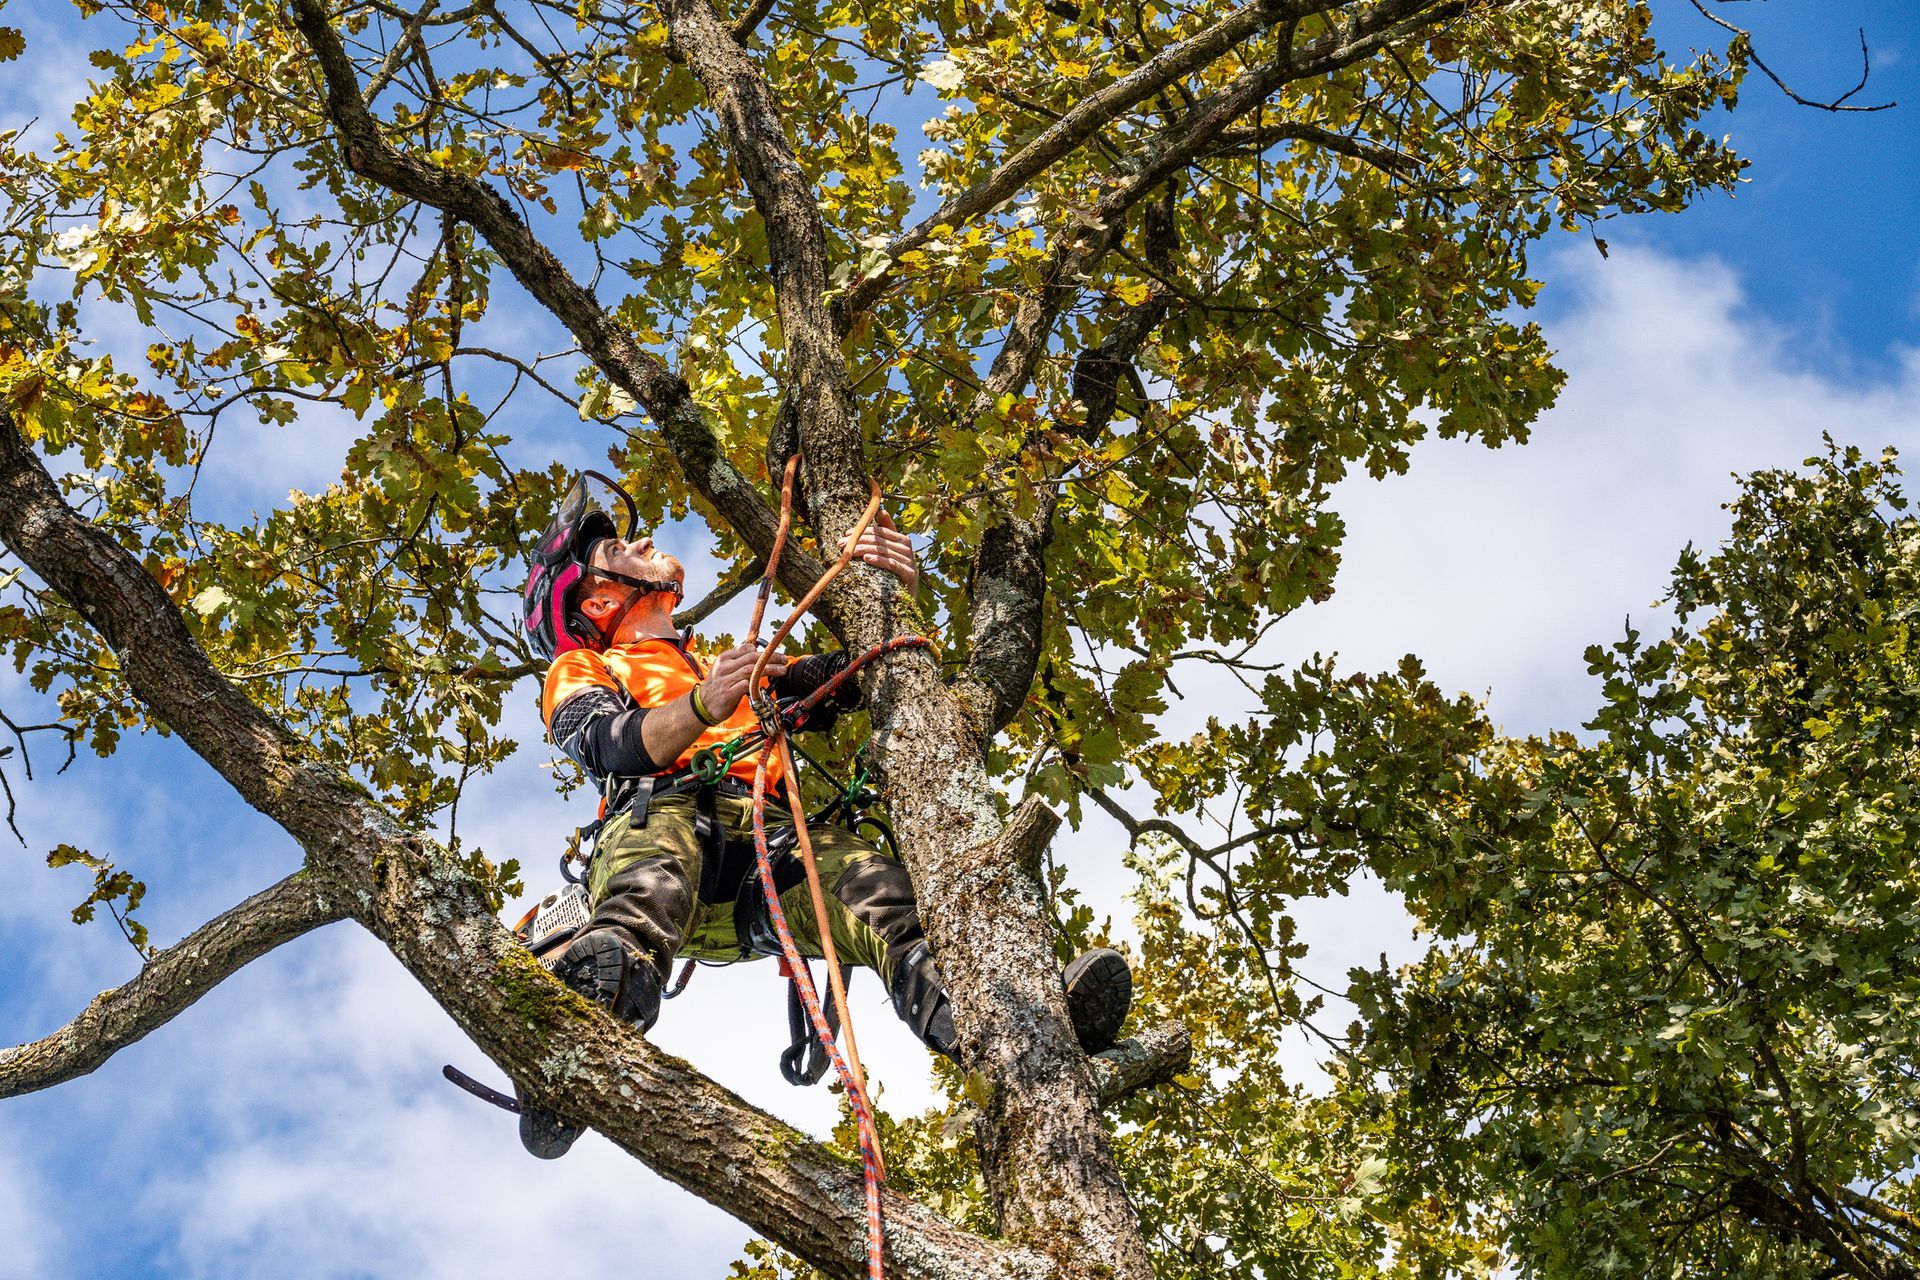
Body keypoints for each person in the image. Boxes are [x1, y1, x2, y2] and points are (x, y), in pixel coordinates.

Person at [516, 472, 1132, 1158]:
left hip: (770, 854)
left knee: (888, 901)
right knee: (648, 890)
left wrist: (893, 595)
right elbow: (610, 744)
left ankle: (1023, 1040)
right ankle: (570, 1053)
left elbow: (853, 675)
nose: (646, 542)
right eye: (622, 548)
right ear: (598, 598)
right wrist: (700, 710)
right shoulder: (584, 670)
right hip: (665, 824)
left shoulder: (729, 667)